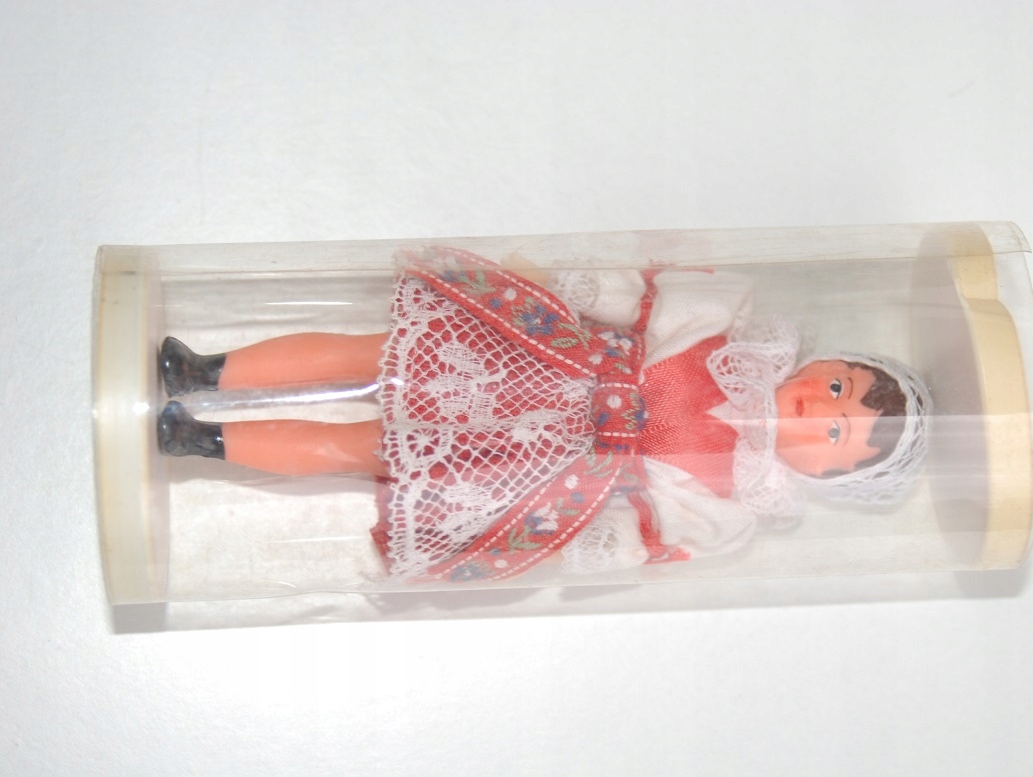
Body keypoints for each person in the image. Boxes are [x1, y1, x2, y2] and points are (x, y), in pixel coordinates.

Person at [158, 246, 930, 581]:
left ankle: (203, 440)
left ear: (827, 475)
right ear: (831, 362)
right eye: (838, 388)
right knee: (371, 353)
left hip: (533, 464)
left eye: (834, 433)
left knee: (363, 452)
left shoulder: (729, 506)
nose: (818, 407)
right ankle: (207, 370)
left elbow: (641, 532)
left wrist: (591, 541)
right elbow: (640, 303)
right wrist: (587, 290)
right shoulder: (726, 328)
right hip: (536, 356)